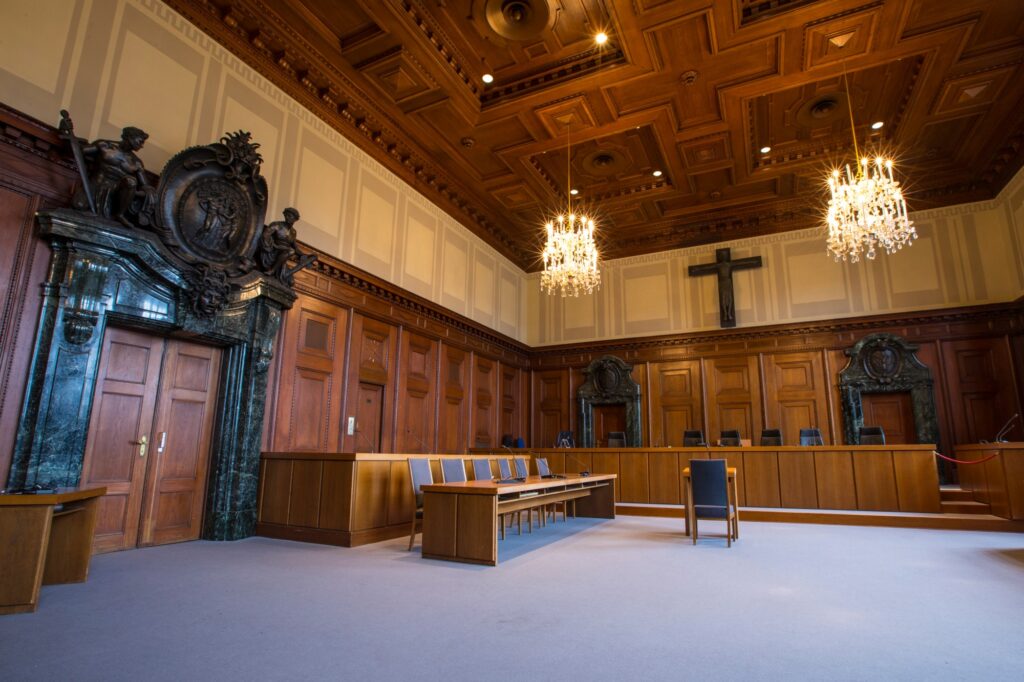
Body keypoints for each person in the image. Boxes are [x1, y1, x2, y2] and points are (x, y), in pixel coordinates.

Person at [74, 126, 157, 228]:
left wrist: (137, 193)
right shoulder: (105, 145)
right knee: (79, 205)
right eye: (141, 141)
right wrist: (70, 136)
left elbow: (145, 185)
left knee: (131, 181)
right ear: (130, 137)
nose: (142, 145)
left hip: (115, 193)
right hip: (95, 184)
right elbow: (79, 150)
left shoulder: (136, 162)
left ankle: (120, 214)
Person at [258, 207, 316, 285]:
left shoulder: (293, 232)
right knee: (290, 251)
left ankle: (276, 270)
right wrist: (271, 247)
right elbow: (265, 235)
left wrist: (305, 255)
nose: (287, 217)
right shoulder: (276, 225)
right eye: (286, 215)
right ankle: (272, 270)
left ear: (295, 219)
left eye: (290, 216)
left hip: (282, 257)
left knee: (291, 282)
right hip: (272, 251)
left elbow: (295, 247)